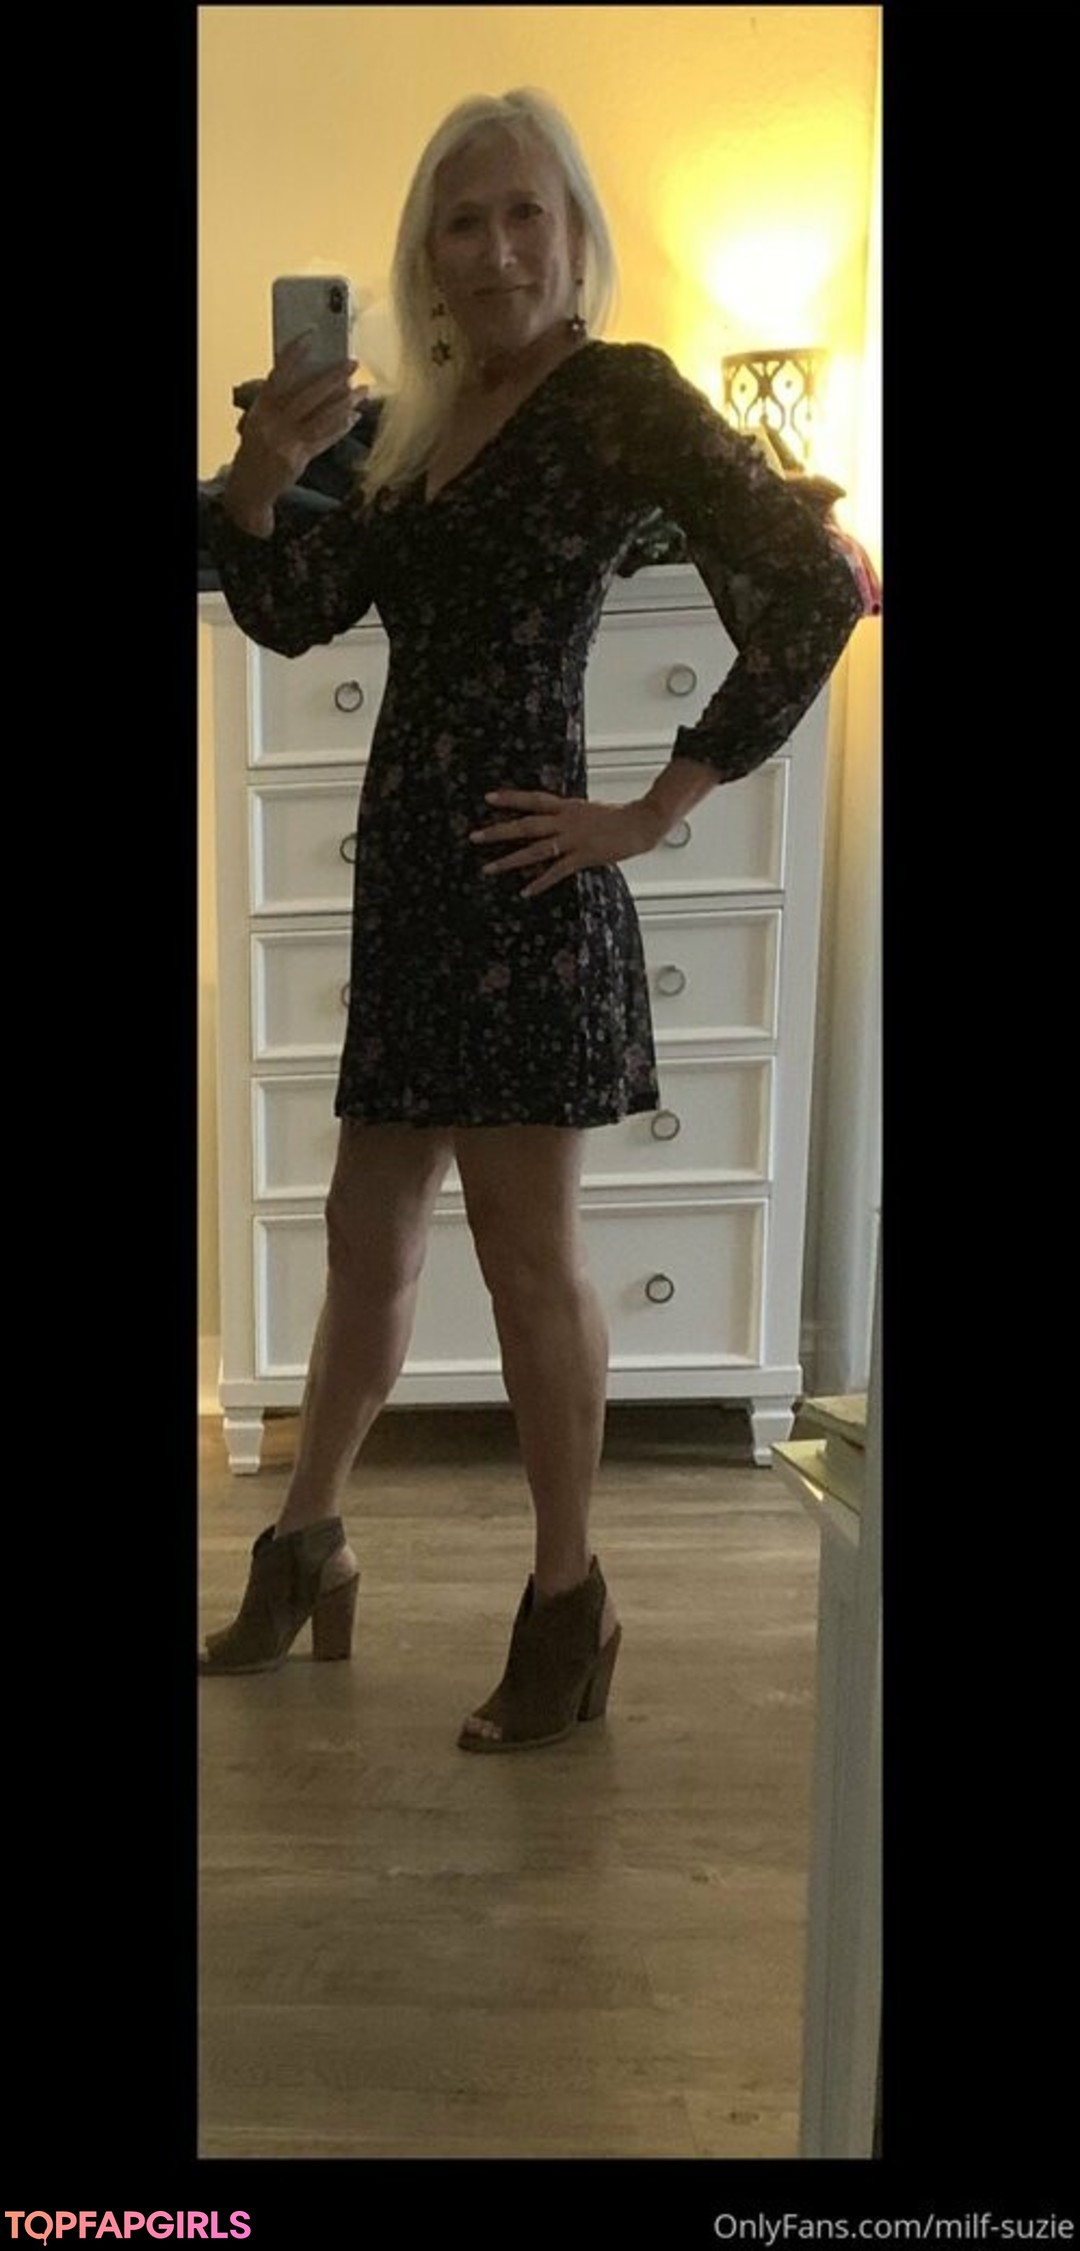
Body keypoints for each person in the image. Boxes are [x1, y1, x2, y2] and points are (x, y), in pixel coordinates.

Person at [199, 86, 868, 1750]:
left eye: (525, 216)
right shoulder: (417, 427)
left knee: (523, 1256)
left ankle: (570, 1602)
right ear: (424, 256)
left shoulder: (619, 399)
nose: (496, 250)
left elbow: (814, 588)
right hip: (414, 890)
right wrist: (259, 482)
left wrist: (654, 807)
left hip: (524, 889)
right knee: (364, 1237)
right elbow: (294, 613)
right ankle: (306, 1541)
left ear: (576, 237)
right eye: (463, 221)